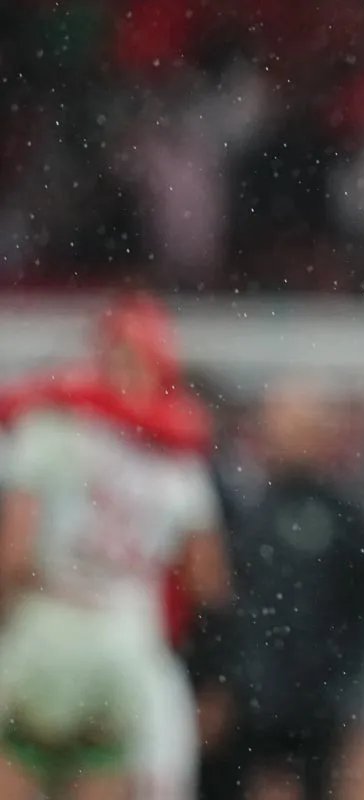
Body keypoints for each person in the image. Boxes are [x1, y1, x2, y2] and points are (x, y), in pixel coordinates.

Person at [0, 294, 231, 800]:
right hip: (127, 638)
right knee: (104, 773)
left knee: (18, 767)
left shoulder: (53, 427)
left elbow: (15, 554)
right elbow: (207, 580)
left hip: (47, 623)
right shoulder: (176, 454)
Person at [217, 381, 364, 800]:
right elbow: (224, 604)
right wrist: (229, 679)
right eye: (276, 425)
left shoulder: (346, 517)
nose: (283, 437)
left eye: (296, 427)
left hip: (321, 709)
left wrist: (353, 693)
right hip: (250, 707)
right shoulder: (243, 510)